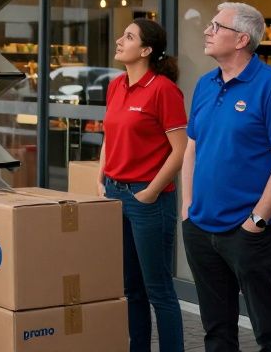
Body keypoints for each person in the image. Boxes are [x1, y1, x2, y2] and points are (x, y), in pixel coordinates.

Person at [182, 3, 271, 352]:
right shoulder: (205, 84)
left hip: (251, 233)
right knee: (216, 333)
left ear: (241, 40)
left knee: (270, 334)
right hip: (201, 228)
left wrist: (257, 220)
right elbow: (191, 149)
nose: (208, 31)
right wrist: (188, 208)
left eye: (217, 26)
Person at [98, 18, 188, 352]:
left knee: (158, 290)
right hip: (114, 194)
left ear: (146, 50)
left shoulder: (163, 90)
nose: (119, 40)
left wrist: (151, 191)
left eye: (129, 37)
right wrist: (101, 176)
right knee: (130, 289)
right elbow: (110, 135)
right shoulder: (116, 85)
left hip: (148, 200)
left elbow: (180, 150)